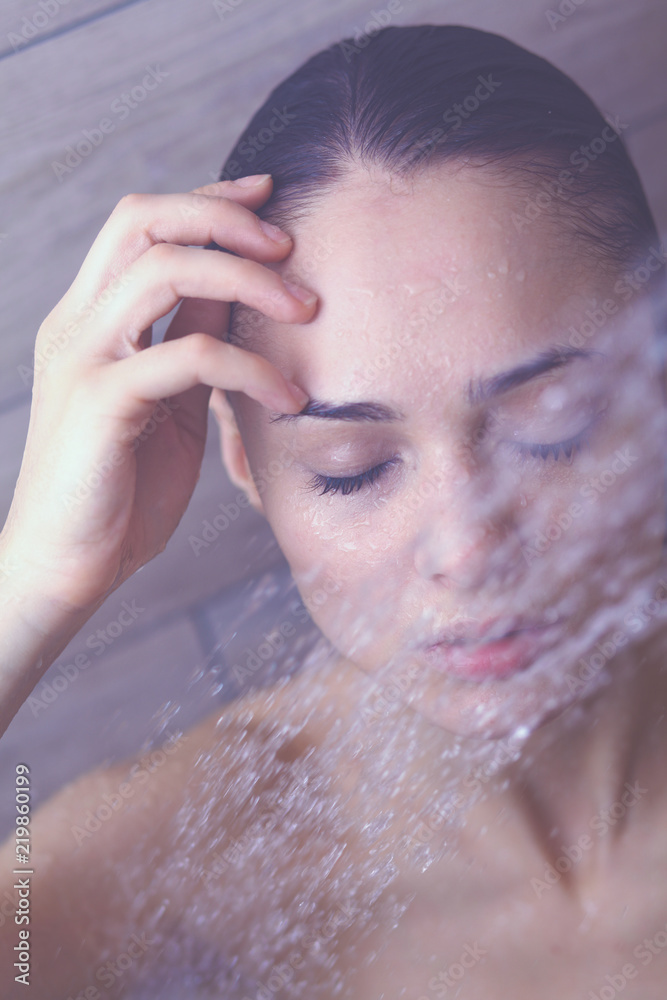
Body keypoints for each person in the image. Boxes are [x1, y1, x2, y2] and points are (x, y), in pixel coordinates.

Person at [1, 22, 666, 999]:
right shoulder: (174, 878)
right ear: (247, 466)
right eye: (352, 469)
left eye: (551, 426)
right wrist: (28, 587)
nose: (469, 546)